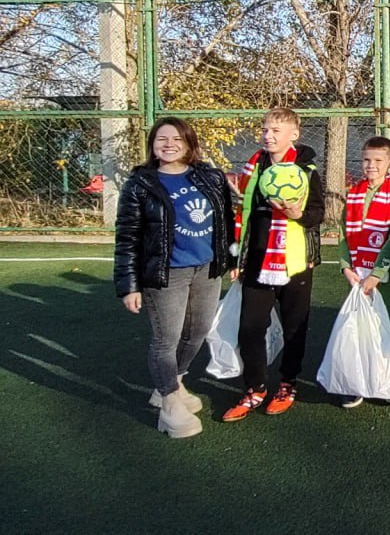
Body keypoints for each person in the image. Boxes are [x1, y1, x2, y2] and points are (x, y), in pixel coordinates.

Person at [114, 118, 235, 438]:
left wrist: (232, 259)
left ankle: (172, 383)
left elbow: (227, 222)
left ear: (189, 143)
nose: (168, 144)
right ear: (152, 145)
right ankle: (168, 404)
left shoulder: (210, 176)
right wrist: (129, 285)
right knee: (166, 339)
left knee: (197, 332)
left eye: (176, 138)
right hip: (166, 274)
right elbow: (127, 236)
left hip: (207, 269)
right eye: (161, 139)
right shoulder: (141, 184)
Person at [221, 108, 325, 422]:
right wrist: (234, 257)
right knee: (250, 329)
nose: (268, 135)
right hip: (257, 260)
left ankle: (287, 384)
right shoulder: (252, 167)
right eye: (265, 129)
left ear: (294, 134)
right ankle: (254, 388)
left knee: (295, 328)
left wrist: (298, 215)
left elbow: (318, 214)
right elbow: (240, 214)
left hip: (296, 263)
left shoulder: (306, 171)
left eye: (276, 130)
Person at [336, 135, 390, 408]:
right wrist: (346, 266)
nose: (371, 165)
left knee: (388, 323)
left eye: (378, 161)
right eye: (366, 159)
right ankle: (356, 380)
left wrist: (377, 273)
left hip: (385, 276)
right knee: (356, 326)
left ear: (389, 162)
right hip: (356, 274)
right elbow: (344, 234)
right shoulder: (354, 193)